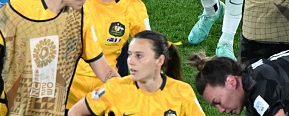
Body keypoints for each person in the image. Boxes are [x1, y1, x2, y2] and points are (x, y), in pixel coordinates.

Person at [0, 0, 120, 116]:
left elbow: (103, 69)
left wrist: (128, 91)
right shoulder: (19, 8)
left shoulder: (80, 19)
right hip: (5, 110)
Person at [66, 0, 151, 109]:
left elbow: (149, 50)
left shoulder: (134, 7)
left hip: (106, 90)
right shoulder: (74, 0)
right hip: (66, 90)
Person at [69, 31, 205, 116]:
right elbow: (75, 112)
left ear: (160, 60)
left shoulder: (182, 92)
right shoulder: (115, 88)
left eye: (139, 56)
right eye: (129, 55)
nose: (130, 61)